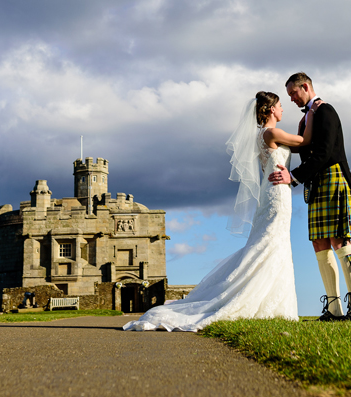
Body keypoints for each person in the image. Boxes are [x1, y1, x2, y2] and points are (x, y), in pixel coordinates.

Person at [123, 91, 311, 331]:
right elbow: (305, 141)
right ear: (271, 109)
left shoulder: (262, 135)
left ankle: (272, 303)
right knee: (272, 241)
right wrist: (312, 115)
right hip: (277, 193)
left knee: (271, 241)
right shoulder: (272, 132)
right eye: (281, 105)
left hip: (273, 190)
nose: (283, 109)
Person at [269, 72, 351, 323]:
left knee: (340, 241)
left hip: (333, 178)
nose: (291, 99)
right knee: (319, 244)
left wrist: (294, 176)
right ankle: (334, 311)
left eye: (293, 93)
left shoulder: (326, 111)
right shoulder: (308, 118)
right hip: (317, 182)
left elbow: (323, 152)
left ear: (305, 86)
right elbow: (302, 145)